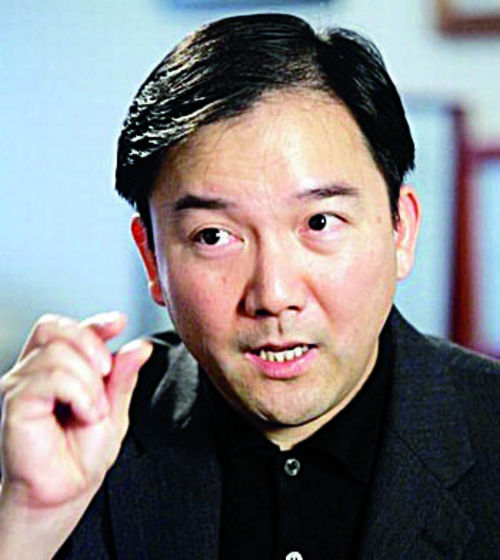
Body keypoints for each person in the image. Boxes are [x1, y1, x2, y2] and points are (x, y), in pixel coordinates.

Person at [1, 13, 499, 559]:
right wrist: (28, 521)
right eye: (214, 236)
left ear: (401, 231)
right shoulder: (64, 448)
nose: (273, 295)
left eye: (319, 223)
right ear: (152, 259)